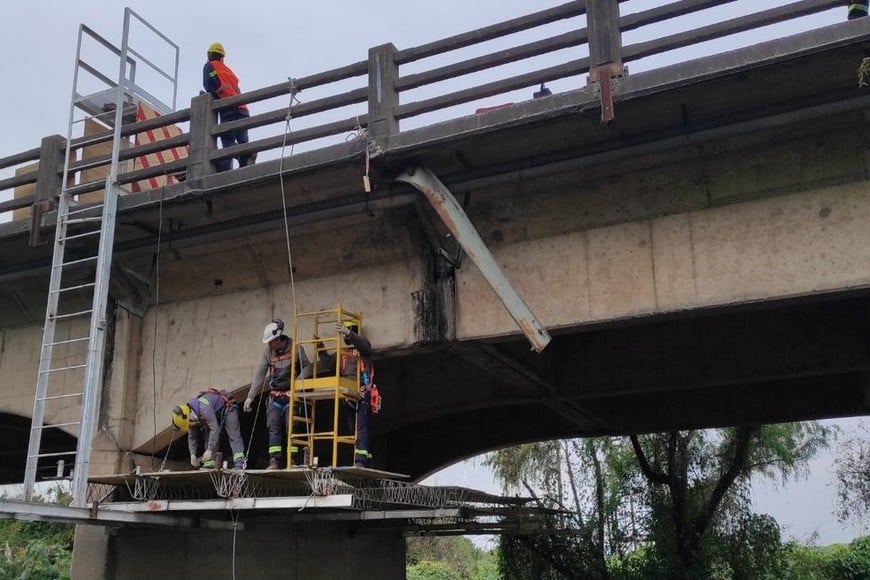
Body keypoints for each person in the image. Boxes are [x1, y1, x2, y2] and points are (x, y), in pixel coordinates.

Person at [244, 318, 310, 470]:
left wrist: (298, 383)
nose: (269, 344)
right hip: (275, 396)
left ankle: (292, 460)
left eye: (271, 341)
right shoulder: (268, 353)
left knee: (291, 426)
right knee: (274, 427)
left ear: (278, 338)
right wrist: (250, 396)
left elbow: (306, 366)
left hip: (290, 395)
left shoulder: (295, 348)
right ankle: (274, 461)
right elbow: (260, 375)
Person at [316, 321, 377, 468]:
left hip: (362, 394)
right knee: (352, 429)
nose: (345, 336)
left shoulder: (363, 348)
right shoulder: (342, 352)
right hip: (348, 395)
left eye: (347, 332)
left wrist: (350, 334)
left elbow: (365, 347)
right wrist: (320, 348)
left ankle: (361, 461)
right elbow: (329, 363)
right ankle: (366, 458)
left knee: (361, 427)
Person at [202, 42, 255, 172]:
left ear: (209, 55)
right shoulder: (229, 71)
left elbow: (208, 84)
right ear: (222, 57)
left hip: (228, 107)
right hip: (242, 108)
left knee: (228, 140)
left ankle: (241, 160)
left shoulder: (210, 66)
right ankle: (246, 160)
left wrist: (214, 94)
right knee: (242, 140)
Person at [171, 388, 246, 469]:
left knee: (233, 435)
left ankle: (239, 463)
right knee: (208, 435)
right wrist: (192, 455)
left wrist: (209, 450)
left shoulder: (203, 408)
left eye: (189, 424)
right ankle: (210, 463)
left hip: (228, 408)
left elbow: (215, 429)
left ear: (190, 416)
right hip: (213, 414)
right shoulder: (189, 417)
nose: (190, 426)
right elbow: (192, 437)